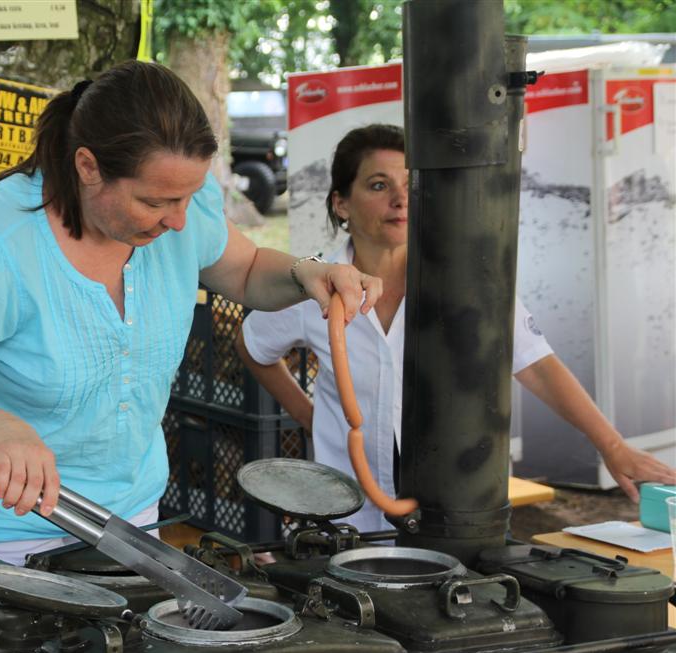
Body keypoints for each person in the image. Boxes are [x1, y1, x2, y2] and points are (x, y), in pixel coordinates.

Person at [0, 61, 383, 571]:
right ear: (88, 167)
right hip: (5, 532)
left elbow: (244, 270)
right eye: (155, 202)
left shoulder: (181, 210)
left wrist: (304, 273)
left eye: (188, 197)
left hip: (129, 515)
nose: (178, 220)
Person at [237, 123, 676, 534]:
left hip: (456, 514)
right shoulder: (316, 284)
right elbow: (253, 345)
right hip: (350, 517)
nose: (400, 199)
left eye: (411, 185)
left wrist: (613, 446)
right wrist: (305, 412)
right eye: (378, 185)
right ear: (341, 202)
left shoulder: (468, 282)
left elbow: (536, 365)